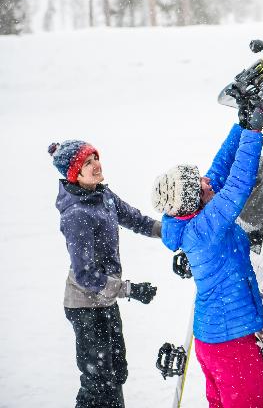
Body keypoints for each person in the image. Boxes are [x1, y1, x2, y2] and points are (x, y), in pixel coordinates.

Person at [152, 111, 263, 408]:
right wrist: (254, 133)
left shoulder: (191, 216)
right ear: (195, 200)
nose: (207, 181)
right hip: (230, 343)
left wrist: (241, 124)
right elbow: (238, 185)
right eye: (201, 185)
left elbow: (218, 171)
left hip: (214, 340)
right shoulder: (204, 230)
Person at [50, 140, 161, 408]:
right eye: (87, 162)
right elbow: (86, 276)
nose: (96, 165)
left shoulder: (103, 195)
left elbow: (136, 220)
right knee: (98, 382)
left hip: (104, 301)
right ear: (74, 173)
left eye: (95, 158)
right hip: (86, 306)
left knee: (115, 372)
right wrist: (130, 290)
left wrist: (172, 231)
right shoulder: (76, 214)